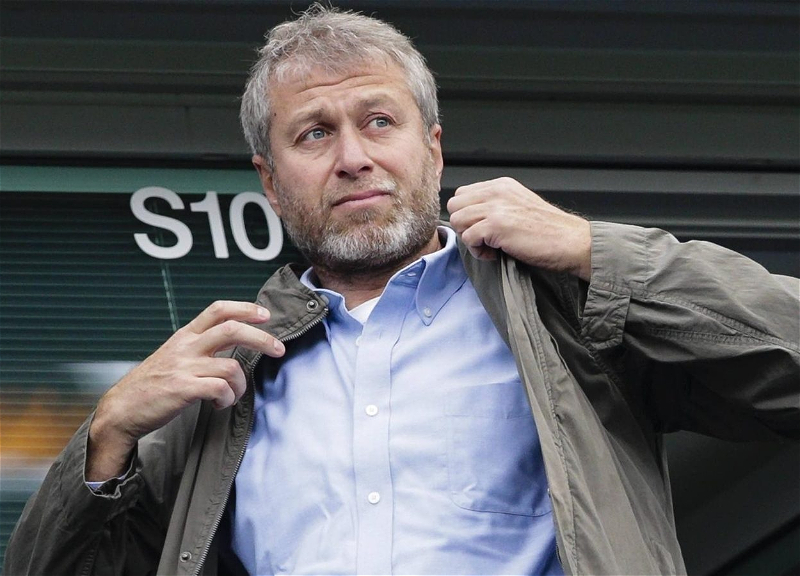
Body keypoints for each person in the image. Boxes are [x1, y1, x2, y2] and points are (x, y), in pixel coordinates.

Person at [5, 5, 798, 576]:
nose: (353, 157)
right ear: (271, 183)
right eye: (315, 133)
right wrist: (106, 437)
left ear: (434, 149)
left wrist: (596, 251)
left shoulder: (557, 310)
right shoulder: (223, 381)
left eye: (379, 121)